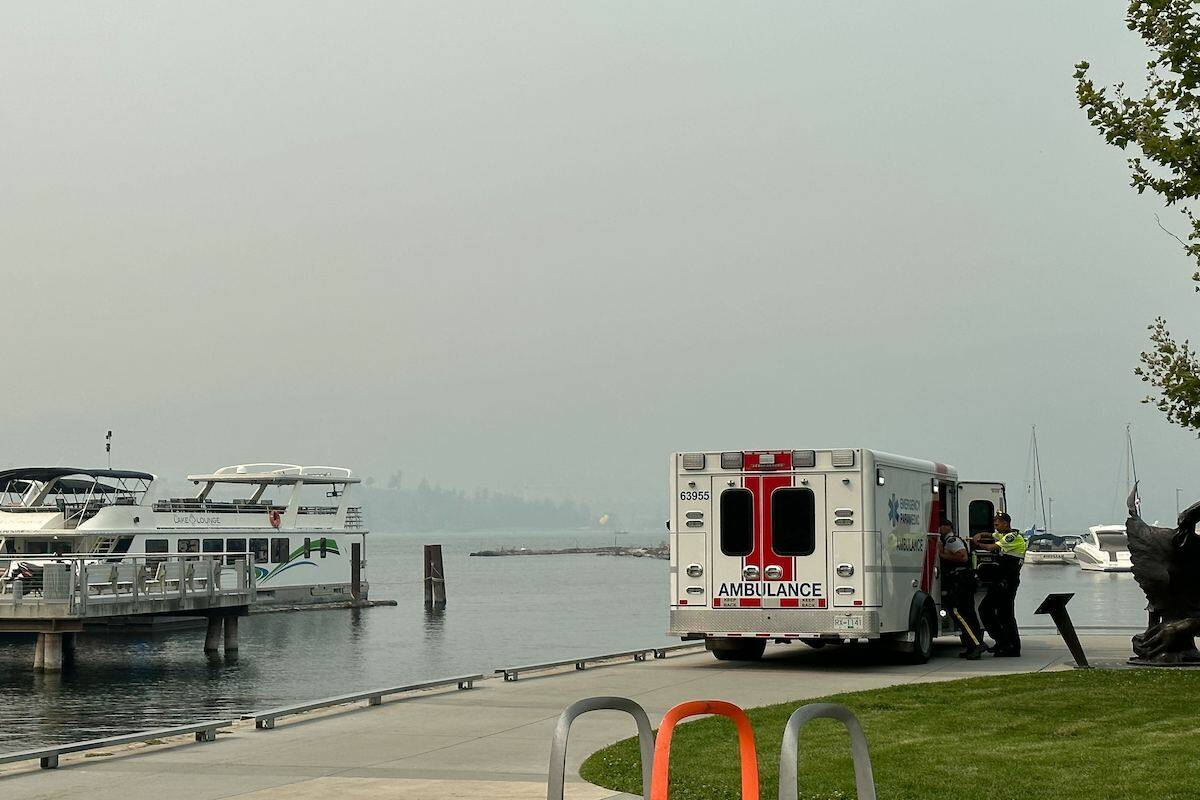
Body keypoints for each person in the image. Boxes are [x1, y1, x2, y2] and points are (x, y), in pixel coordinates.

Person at [972, 512, 1026, 656]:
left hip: (1007, 582)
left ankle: (1009, 646)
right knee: (1002, 614)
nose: (995, 528)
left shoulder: (1012, 537)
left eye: (997, 525)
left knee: (993, 611)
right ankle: (1005, 644)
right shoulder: (1002, 534)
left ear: (1005, 524)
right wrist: (980, 534)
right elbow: (990, 535)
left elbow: (991, 547)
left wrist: (976, 543)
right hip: (1002, 581)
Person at [939, 521, 987, 659]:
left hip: (961, 582)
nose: (939, 528)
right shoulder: (948, 540)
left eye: (941, 525)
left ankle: (976, 644)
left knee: (958, 612)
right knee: (969, 614)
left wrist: (941, 555)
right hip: (964, 582)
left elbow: (962, 556)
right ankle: (973, 646)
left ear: (948, 526)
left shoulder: (952, 540)